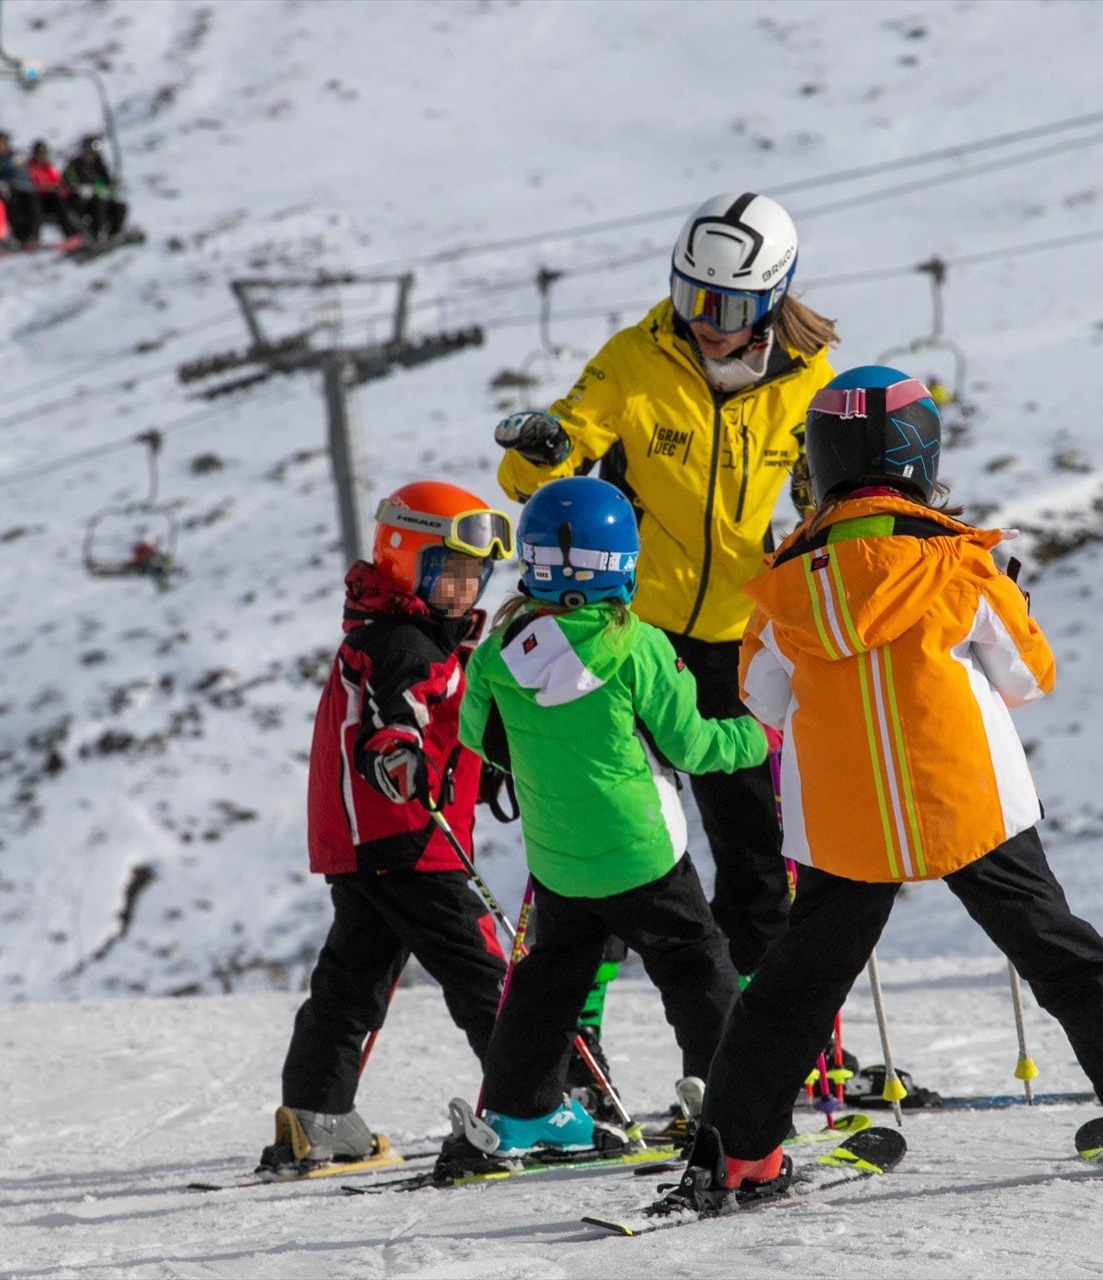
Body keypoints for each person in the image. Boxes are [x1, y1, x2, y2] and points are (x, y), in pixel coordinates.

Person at [661, 366, 1103, 1213]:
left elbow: (762, 700)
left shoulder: (782, 589)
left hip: (848, 824)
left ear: (822, 460)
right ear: (923, 458)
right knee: (1060, 951)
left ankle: (736, 1158)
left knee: (794, 991)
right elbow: (1028, 677)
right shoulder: (960, 565)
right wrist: (1010, 598)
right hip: (966, 804)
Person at [493, 192, 836, 1000]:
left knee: (754, 847)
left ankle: (760, 1031)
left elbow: (822, 502)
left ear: (774, 296)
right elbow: (552, 456)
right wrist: (542, 455)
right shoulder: (635, 358)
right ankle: (578, 1035)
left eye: (727, 304)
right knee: (607, 835)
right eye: (689, 295)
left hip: (737, 639)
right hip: (630, 636)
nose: (704, 319)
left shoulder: (807, 382)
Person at [442, 476, 773, 1172]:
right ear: (623, 562)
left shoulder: (500, 651)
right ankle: (731, 1101)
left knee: (548, 981)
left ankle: (520, 1110)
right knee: (694, 962)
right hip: (641, 851)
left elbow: (477, 735)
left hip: (560, 856)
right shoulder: (638, 645)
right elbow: (692, 746)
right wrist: (760, 736)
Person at [261, 481, 516, 1174]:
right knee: (483, 970)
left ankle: (317, 1118)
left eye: (474, 575)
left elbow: (435, 724)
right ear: (404, 559)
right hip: (409, 838)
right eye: (448, 572)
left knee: (353, 979)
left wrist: (490, 771)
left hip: (369, 843)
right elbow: (392, 715)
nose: (463, 590)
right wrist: (394, 752)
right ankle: (530, 1106)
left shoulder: (412, 637)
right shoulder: (403, 643)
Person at [0, 130, 39, 246]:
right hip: (0, 194)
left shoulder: (15, 158)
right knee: (9, 205)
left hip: (19, 191)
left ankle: (31, 235)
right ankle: (16, 237)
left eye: (2, 143)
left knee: (31, 202)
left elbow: (22, 173)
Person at [63, 135, 127, 242]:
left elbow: (106, 182)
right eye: (89, 150)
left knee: (120, 207)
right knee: (98, 205)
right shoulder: (74, 165)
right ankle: (95, 234)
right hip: (80, 201)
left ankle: (114, 234)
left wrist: (110, 186)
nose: (91, 154)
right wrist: (77, 188)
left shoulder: (99, 165)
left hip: (98, 197)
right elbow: (66, 181)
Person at [24, 140, 80, 243]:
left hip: (50, 199)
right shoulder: (29, 167)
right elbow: (29, 182)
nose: (41, 156)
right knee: (34, 206)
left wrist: (64, 191)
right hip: (36, 199)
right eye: (38, 154)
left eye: (43, 154)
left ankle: (72, 234)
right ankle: (32, 236)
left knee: (62, 203)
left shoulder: (49, 168)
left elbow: (57, 182)